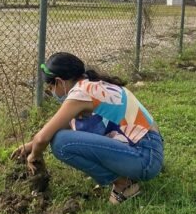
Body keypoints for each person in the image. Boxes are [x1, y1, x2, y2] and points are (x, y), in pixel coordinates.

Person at [11, 52, 163, 204]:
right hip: (150, 151)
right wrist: (31, 145)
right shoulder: (92, 84)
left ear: (59, 81)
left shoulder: (80, 93)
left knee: (61, 143)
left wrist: (35, 155)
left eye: (50, 87)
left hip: (145, 159)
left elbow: (43, 138)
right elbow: (58, 126)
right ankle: (128, 172)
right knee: (73, 128)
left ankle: (124, 185)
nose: (51, 92)